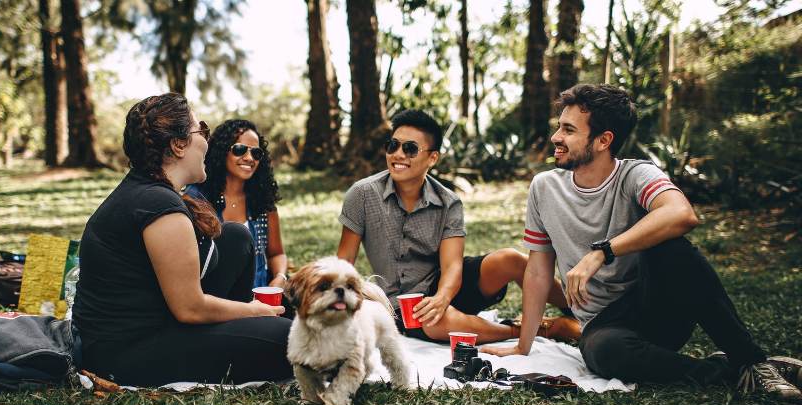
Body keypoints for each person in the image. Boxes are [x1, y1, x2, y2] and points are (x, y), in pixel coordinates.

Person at [481, 84, 802, 400]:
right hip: (604, 327)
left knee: (672, 247)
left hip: (658, 309)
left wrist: (602, 252)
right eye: (558, 127)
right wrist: (524, 346)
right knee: (602, 352)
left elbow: (682, 214)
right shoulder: (544, 188)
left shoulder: (636, 175)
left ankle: (750, 361)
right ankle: (728, 373)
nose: (556, 137)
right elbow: (537, 271)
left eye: (568, 129)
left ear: (604, 139)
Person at [73, 93, 293, 387]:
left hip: (158, 320)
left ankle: (249, 329)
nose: (206, 141)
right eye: (201, 130)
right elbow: (190, 308)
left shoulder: (150, 191)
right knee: (291, 340)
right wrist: (255, 310)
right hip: (126, 351)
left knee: (236, 236)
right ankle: (254, 328)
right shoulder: (157, 204)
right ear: (177, 145)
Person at [336, 109, 579, 344]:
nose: (398, 154)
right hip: (402, 304)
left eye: (410, 149)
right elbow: (344, 260)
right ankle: (538, 329)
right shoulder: (363, 194)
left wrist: (442, 298)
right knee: (436, 322)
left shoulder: (448, 202)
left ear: (432, 158)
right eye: (393, 146)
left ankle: (581, 313)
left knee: (511, 259)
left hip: (447, 285)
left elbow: (452, 265)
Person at [184, 119, 289, 290]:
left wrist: (280, 278)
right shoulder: (196, 198)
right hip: (215, 301)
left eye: (256, 153)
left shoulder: (262, 199)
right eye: (240, 150)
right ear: (221, 151)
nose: (249, 158)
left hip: (260, 300)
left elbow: (277, 253)